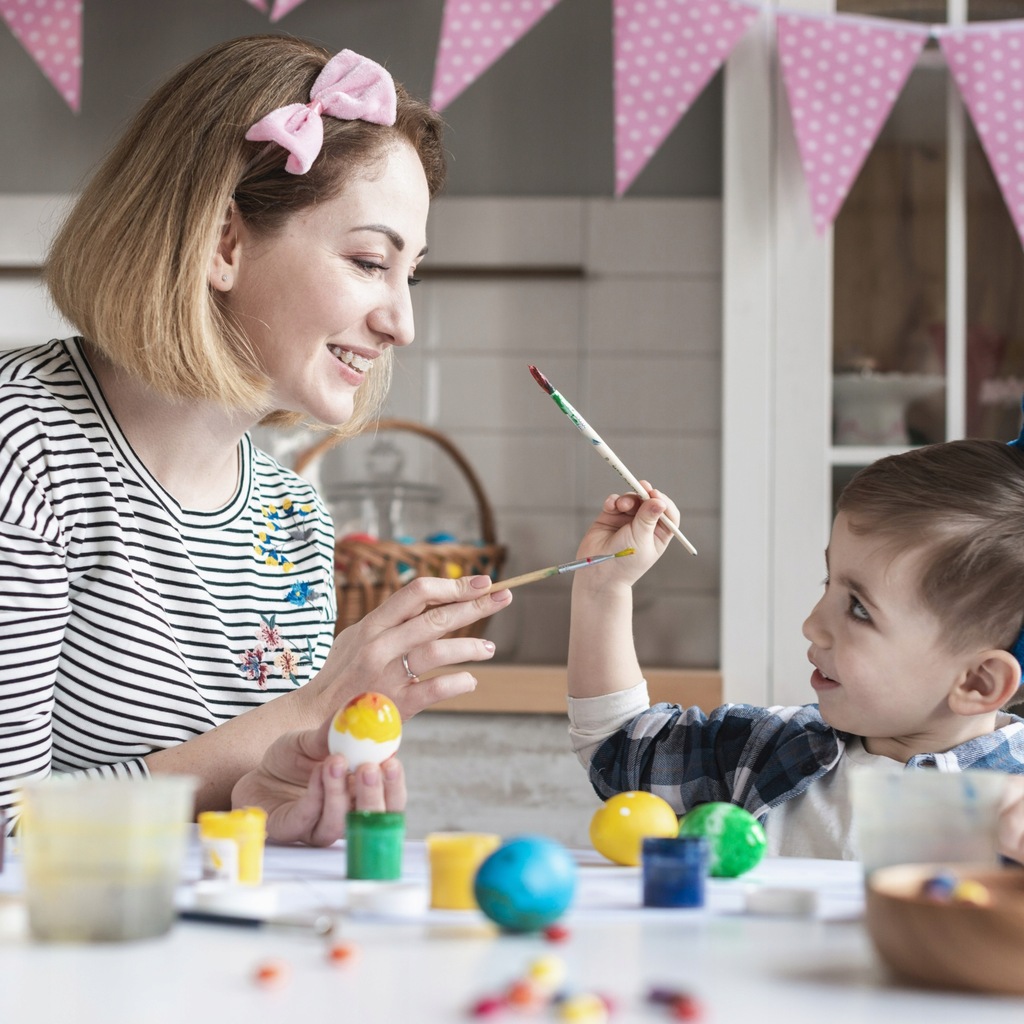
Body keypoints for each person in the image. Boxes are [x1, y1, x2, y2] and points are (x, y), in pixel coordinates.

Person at [0, 36, 513, 843]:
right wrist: (312, 707)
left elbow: (219, 833)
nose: (402, 323)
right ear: (222, 243)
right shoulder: (23, 449)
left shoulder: (293, 523)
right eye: (368, 260)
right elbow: (10, 830)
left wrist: (275, 808)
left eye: (408, 272)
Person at [566, 439, 1024, 862]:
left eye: (860, 610)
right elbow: (619, 748)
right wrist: (603, 587)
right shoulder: (767, 751)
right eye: (829, 581)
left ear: (978, 682)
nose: (812, 625)